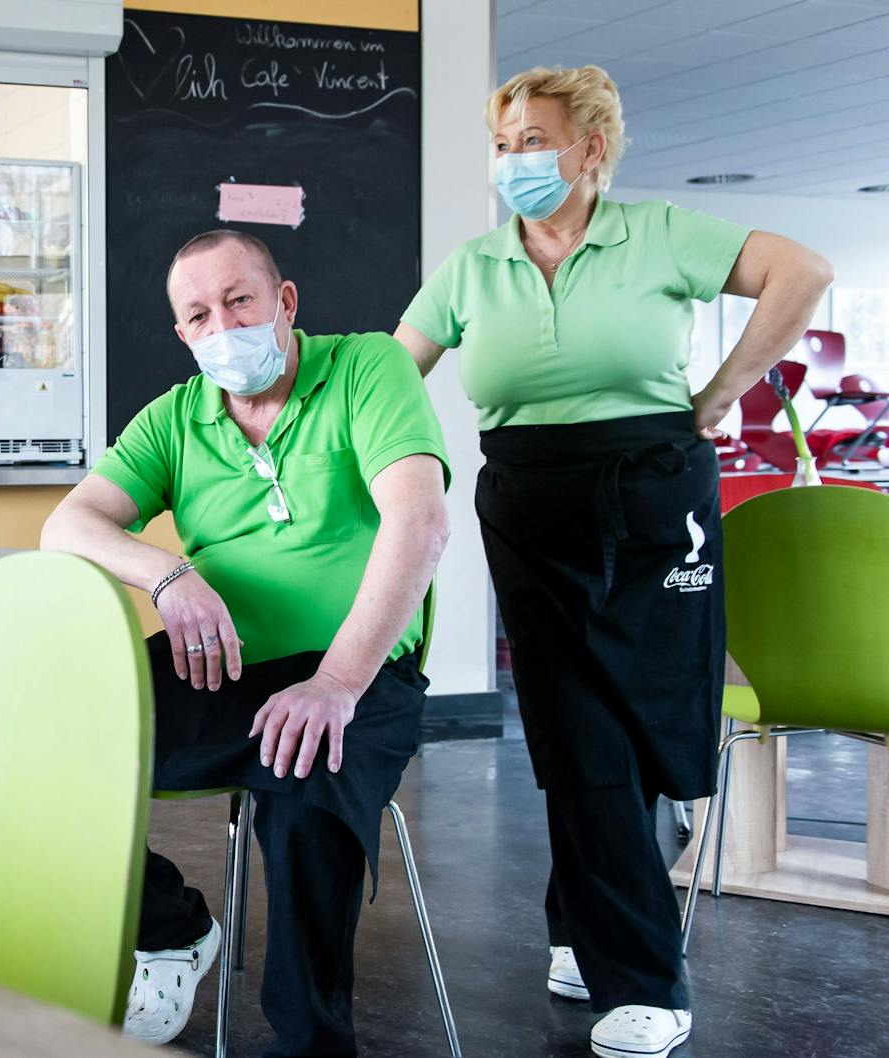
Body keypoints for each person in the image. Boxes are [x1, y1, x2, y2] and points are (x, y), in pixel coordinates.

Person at [394, 65, 833, 1058]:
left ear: (589, 149)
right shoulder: (471, 267)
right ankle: (643, 979)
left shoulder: (660, 233)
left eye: (533, 140)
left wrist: (722, 391)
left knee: (644, 717)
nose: (513, 161)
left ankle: (580, 919)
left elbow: (801, 271)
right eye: (502, 143)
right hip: (530, 500)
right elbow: (390, 370)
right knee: (574, 721)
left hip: (655, 495)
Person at [42, 229, 451, 1055]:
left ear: (284, 302)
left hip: (359, 671)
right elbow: (69, 525)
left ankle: (310, 1045)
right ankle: (172, 929)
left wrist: (335, 683)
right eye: (200, 315)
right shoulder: (174, 419)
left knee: (305, 789)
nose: (223, 326)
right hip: (218, 670)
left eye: (239, 301)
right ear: (183, 333)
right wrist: (167, 575)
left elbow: (419, 521)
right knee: (45, 744)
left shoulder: (368, 367)